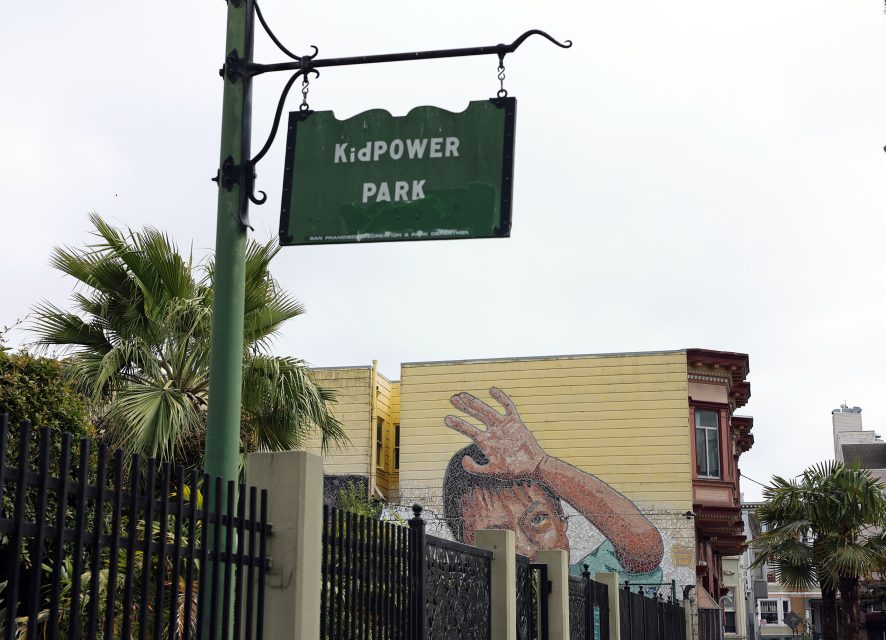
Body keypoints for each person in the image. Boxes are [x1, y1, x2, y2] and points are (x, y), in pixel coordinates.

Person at [442, 387, 664, 583]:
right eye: (496, 534)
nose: (526, 549)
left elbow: (644, 551)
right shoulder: (453, 607)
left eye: (538, 520)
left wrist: (541, 465)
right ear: (464, 543)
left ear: (561, 519)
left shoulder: (588, 582)